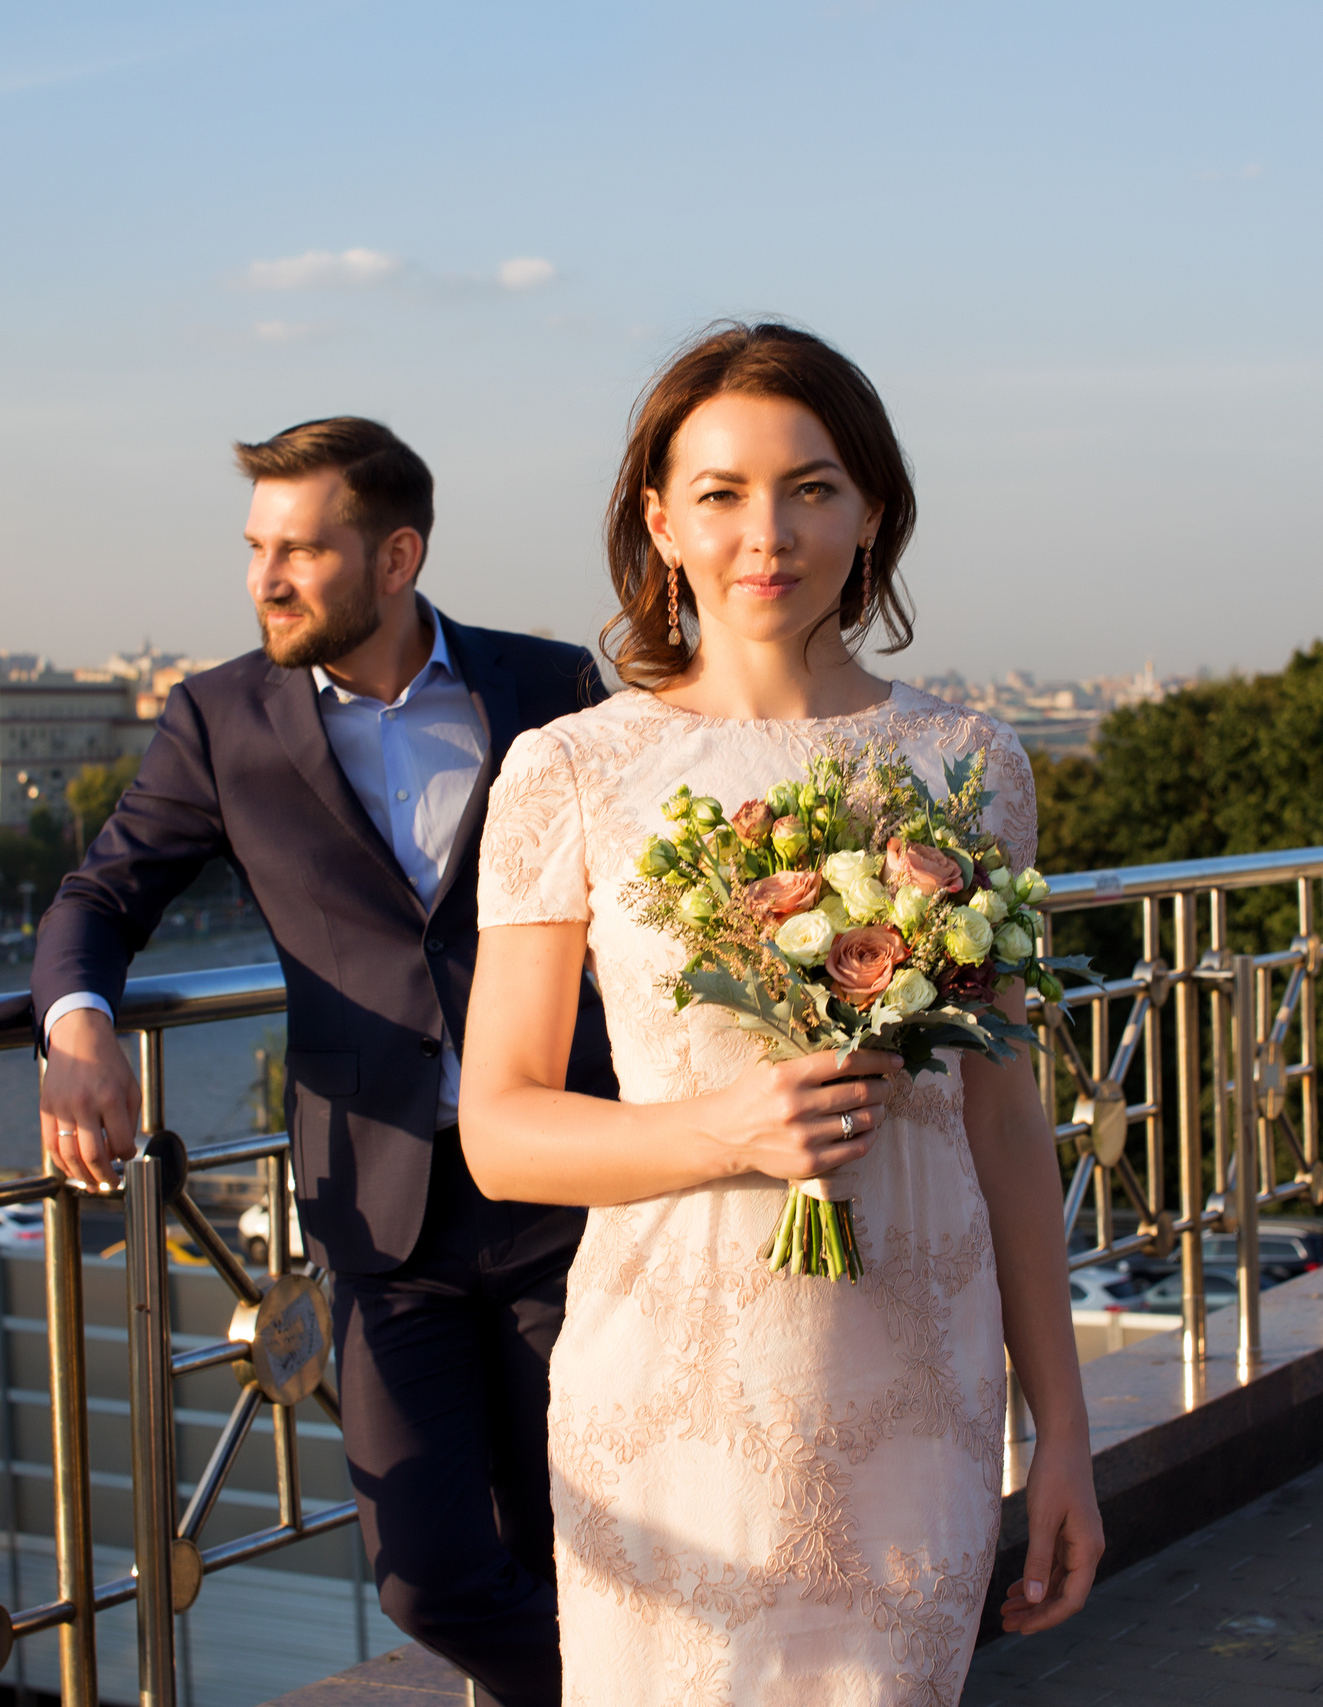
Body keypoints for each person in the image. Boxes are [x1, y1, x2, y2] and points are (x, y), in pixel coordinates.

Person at [458, 325, 1102, 1704]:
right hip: (669, 1399)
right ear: (659, 521)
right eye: (723, 493)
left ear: (872, 510)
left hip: (914, 1397)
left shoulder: (970, 764)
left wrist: (1063, 1433)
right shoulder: (570, 769)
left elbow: (1004, 1131)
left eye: (812, 487)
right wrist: (728, 1130)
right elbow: (502, 1132)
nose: (770, 533)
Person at [32, 417, 616, 1707]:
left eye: (302, 549)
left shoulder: (552, 687)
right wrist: (81, 1027)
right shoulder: (220, 719)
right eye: (255, 548)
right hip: (380, 1211)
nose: (265, 578)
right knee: (427, 1571)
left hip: (569, 1191)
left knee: (587, 1541)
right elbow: (104, 894)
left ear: (397, 555)